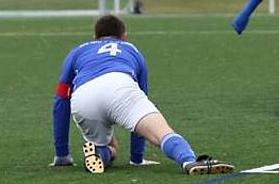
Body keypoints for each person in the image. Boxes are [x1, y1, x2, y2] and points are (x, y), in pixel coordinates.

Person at [51, 15, 234, 175]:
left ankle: (100, 153)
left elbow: (61, 99)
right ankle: (188, 160)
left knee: (109, 146)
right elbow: (141, 94)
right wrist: (137, 159)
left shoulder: (78, 51)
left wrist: (62, 155)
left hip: (84, 97)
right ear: (124, 36)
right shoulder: (132, 50)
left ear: (94, 37)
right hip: (121, 87)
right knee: (162, 133)